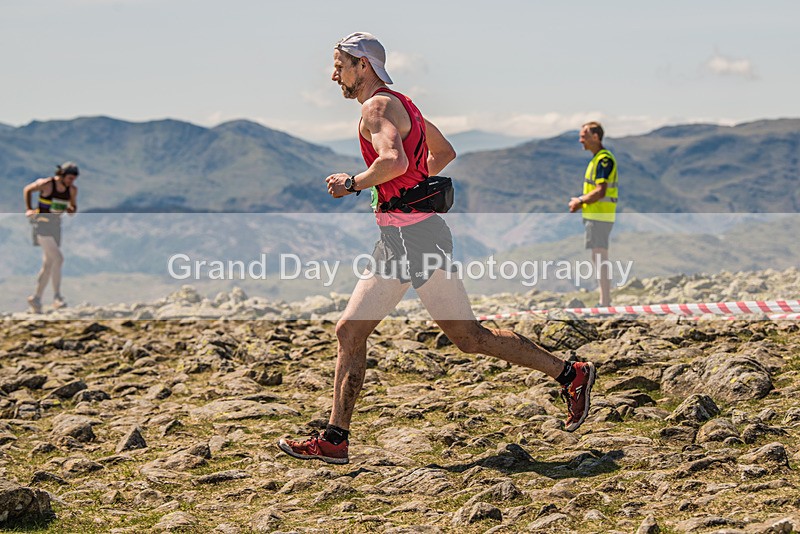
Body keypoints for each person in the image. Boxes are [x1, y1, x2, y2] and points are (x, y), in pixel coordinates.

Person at [277, 32, 596, 465]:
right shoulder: (404, 104)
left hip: (414, 239)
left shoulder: (376, 107)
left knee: (469, 337)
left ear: (362, 66)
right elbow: (442, 153)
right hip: (404, 237)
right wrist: (406, 192)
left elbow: (394, 161)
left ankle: (569, 373)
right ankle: (335, 440)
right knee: (354, 331)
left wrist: (353, 182)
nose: (333, 74)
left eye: (339, 65)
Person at [569, 122, 618, 307]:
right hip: (597, 216)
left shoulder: (603, 160)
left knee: (600, 257)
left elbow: (601, 191)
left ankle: (605, 301)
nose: (581, 140)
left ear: (595, 137)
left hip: (600, 216)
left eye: (584, 136)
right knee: (598, 257)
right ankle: (604, 300)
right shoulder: (597, 159)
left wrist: (580, 201)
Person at [23, 162, 79, 313]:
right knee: (58, 258)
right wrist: (29, 209)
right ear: (62, 174)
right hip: (42, 224)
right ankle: (57, 297)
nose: (71, 181)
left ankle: (36, 298)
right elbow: (28, 189)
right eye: (69, 178)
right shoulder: (47, 184)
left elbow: (73, 208)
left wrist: (69, 209)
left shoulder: (72, 190)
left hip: (56, 226)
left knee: (48, 264)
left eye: (73, 179)